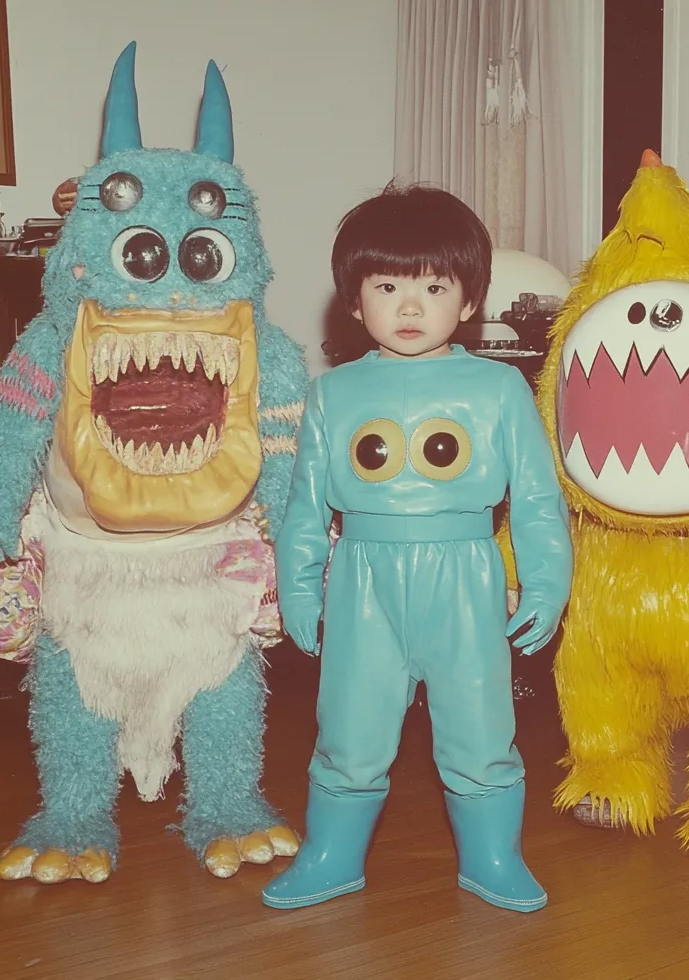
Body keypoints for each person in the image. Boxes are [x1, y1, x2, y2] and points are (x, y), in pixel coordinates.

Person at [262, 184, 573, 913]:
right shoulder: (333, 394)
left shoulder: (498, 390)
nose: (409, 306)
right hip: (363, 581)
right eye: (387, 285)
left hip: (464, 577)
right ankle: (332, 854)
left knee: (480, 729)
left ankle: (493, 856)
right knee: (350, 729)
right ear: (354, 299)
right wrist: (299, 588)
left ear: (469, 302)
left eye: (434, 286)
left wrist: (547, 581)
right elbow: (305, 506)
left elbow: (534, 499)